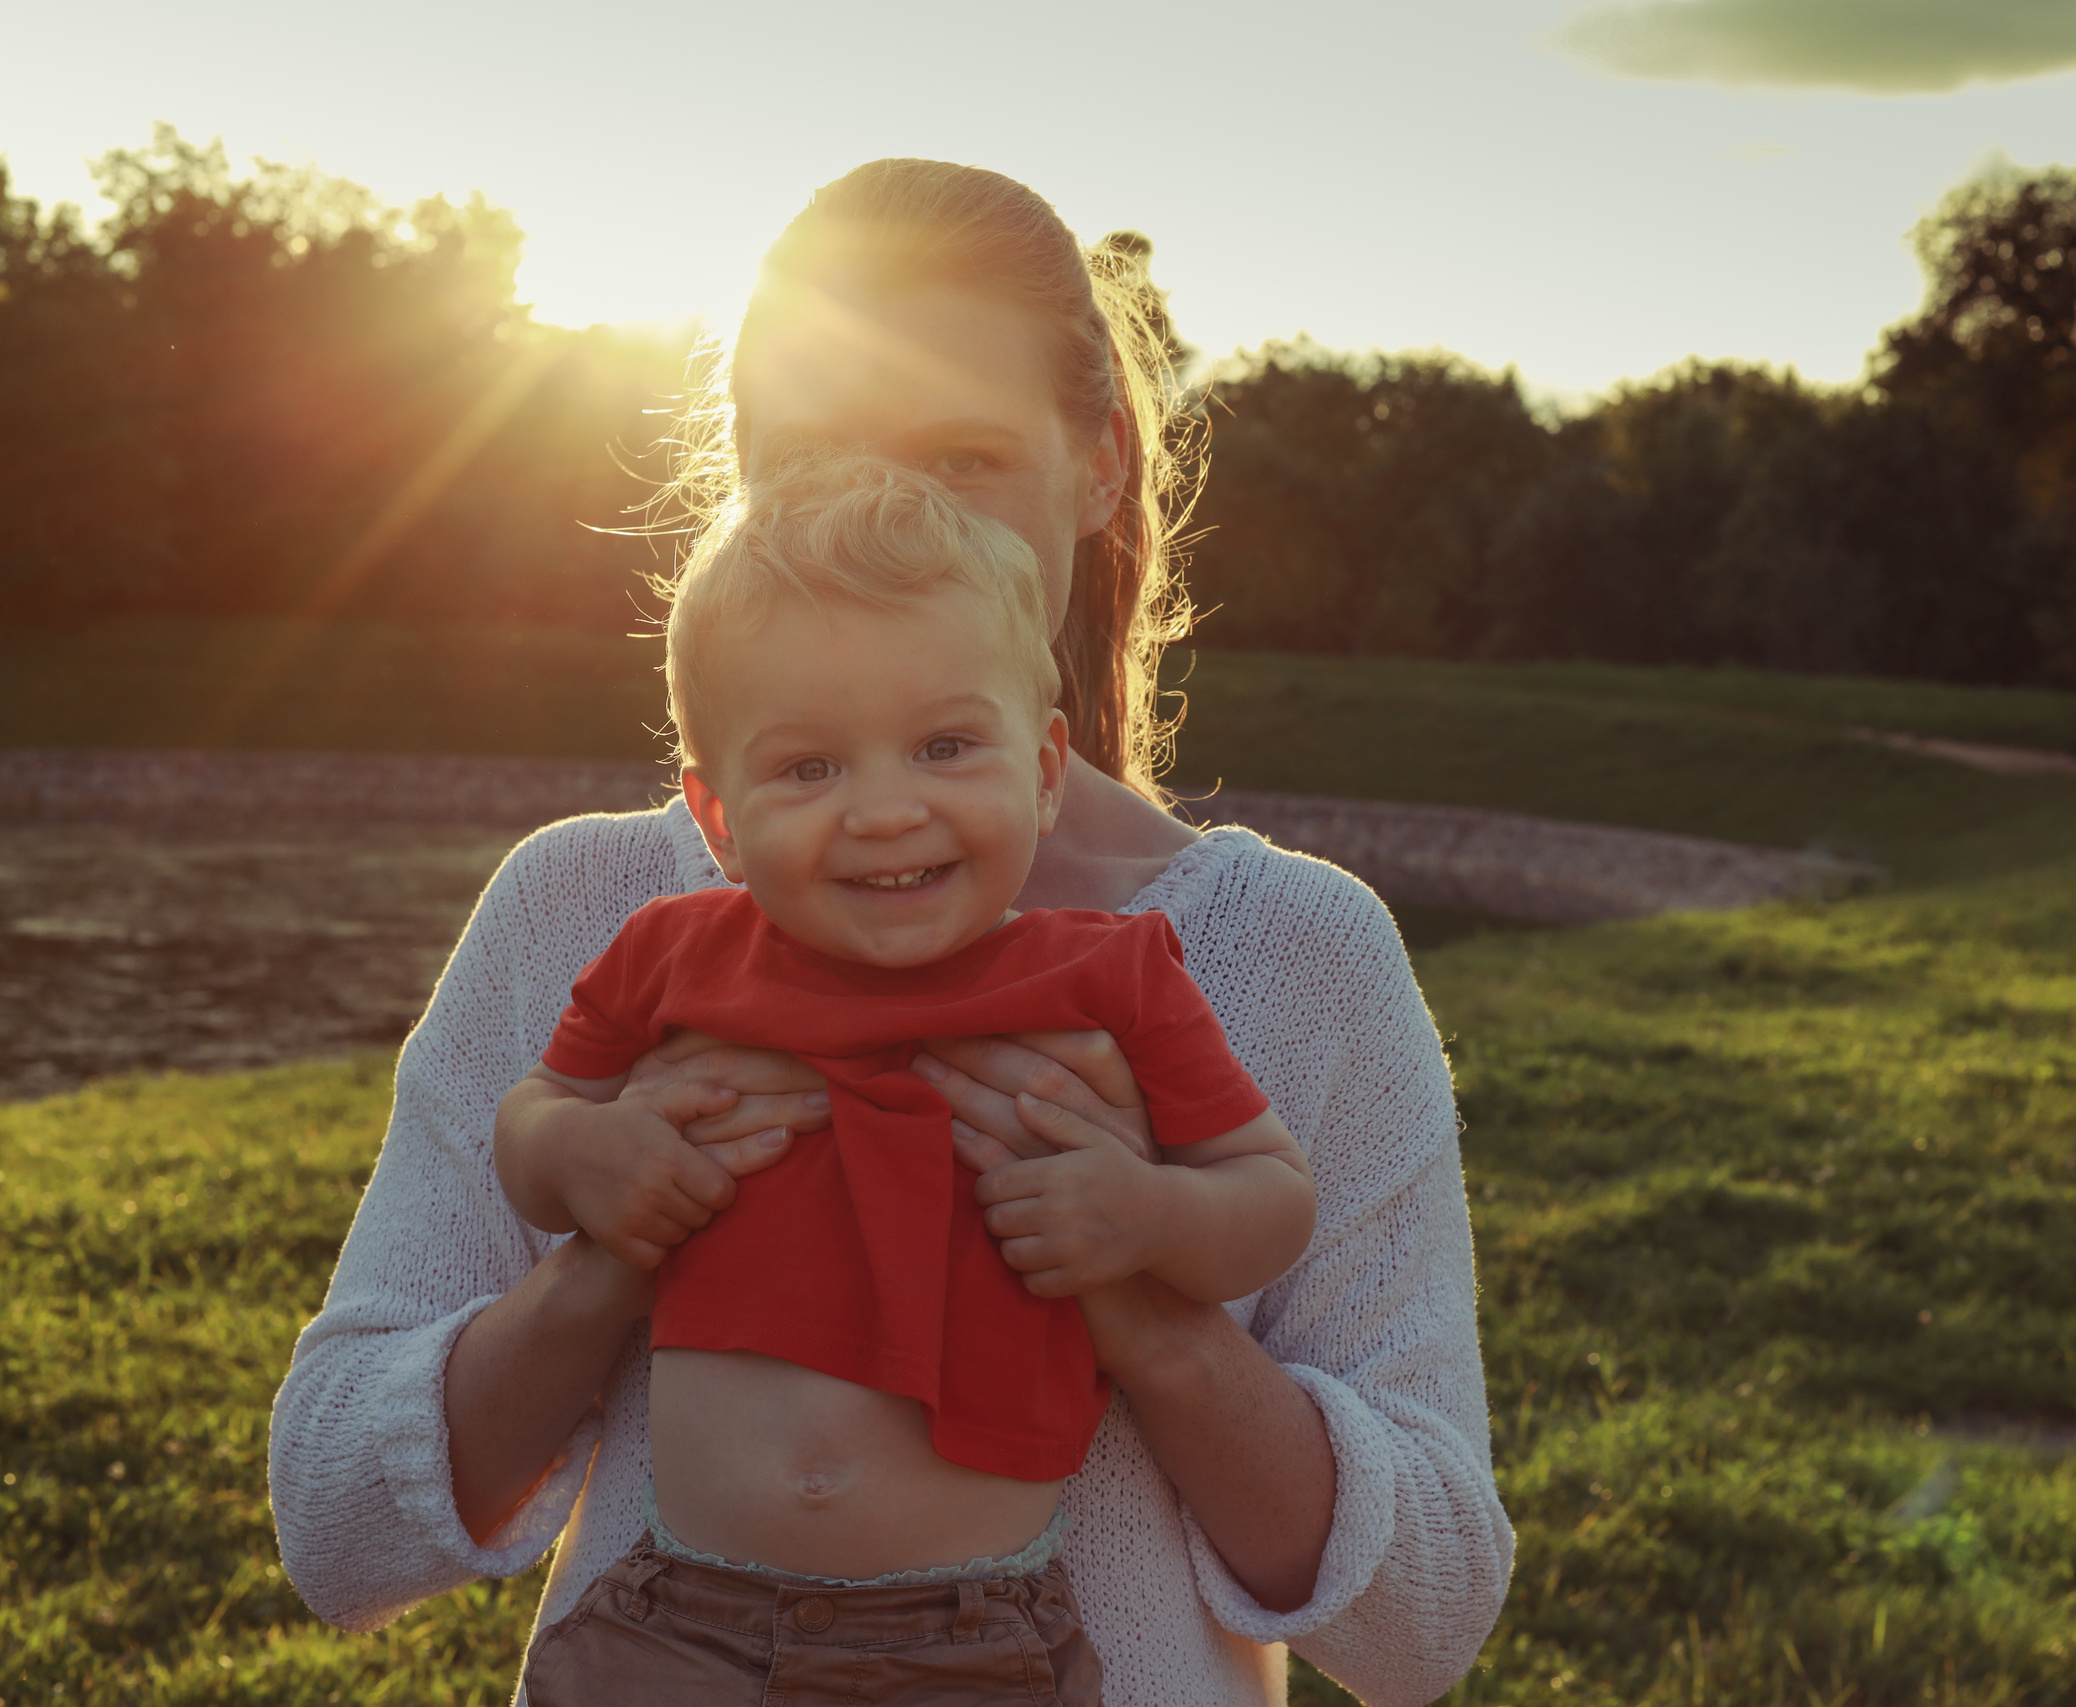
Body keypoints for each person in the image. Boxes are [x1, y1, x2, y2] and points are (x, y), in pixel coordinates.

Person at [268, 158, 1512, 1707]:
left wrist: (1152, 1305)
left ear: (1104, 464)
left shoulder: (1292, 953)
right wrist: (603, 1257)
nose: (890, 517)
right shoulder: (590, 908)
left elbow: (1427, 1619)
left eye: (965, 454)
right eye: (809, 458)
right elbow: (332, 1520)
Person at [500, 447, 1315, 1702]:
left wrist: (1146, 1214)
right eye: (809, 768)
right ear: (717, 819)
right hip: (678, 1620)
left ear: (1042, 775)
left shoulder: (1112, 979)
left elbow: (1270, 1195)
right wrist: (583, 1156)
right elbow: (532, 1120)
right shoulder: (672, 952)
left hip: (970, 1639)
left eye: (943, 747)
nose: (883, 811)